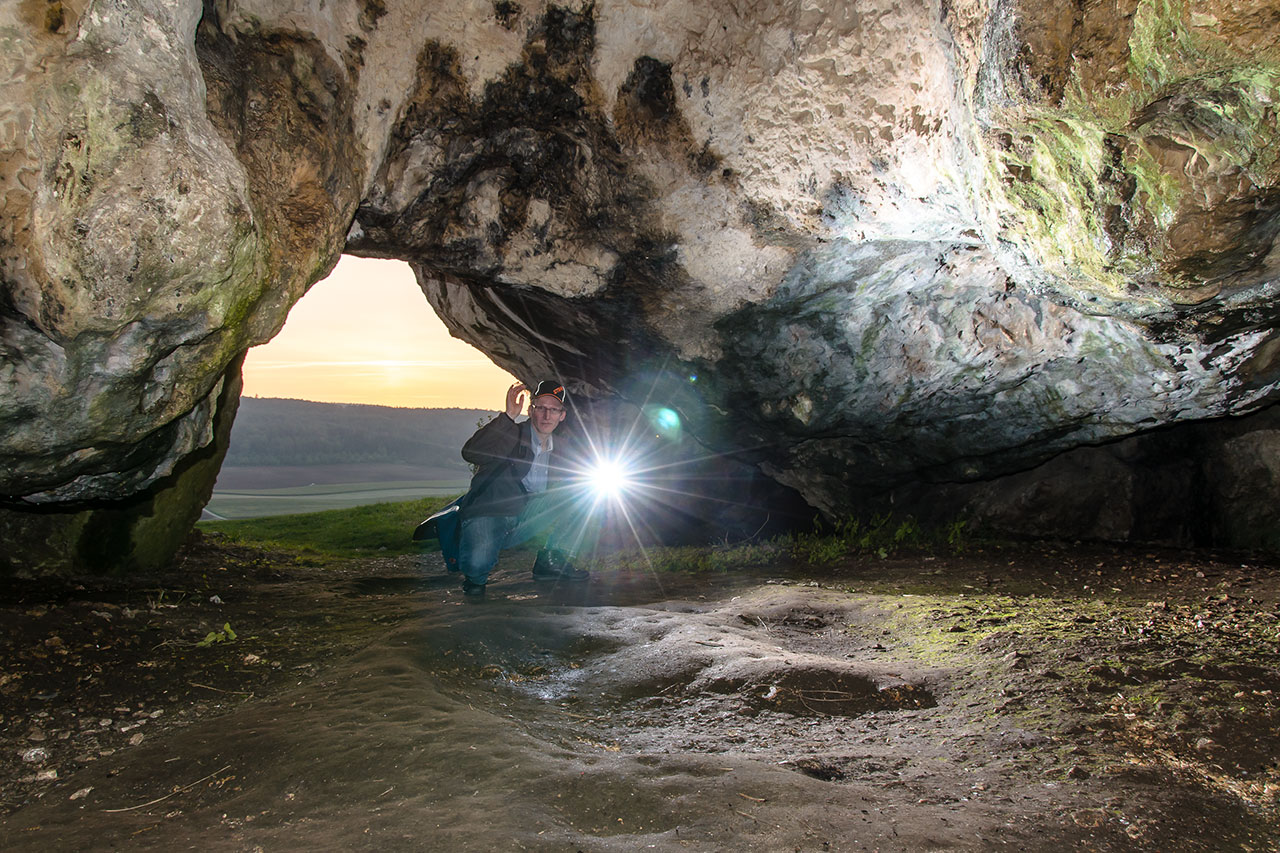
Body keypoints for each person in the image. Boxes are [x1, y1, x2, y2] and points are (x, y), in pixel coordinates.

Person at [435, 380, 591, 597]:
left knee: (588, 490)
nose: (547, 416)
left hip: (526, 515)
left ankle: (551, 559)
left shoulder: (561, 447)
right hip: (491, 511)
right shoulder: (511, 433)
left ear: (562, 415)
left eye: (554, 410)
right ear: (531, 410)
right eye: (541, 408)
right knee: (477, 569)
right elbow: (471, 453)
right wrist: (507, 416)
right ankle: (474, 579)